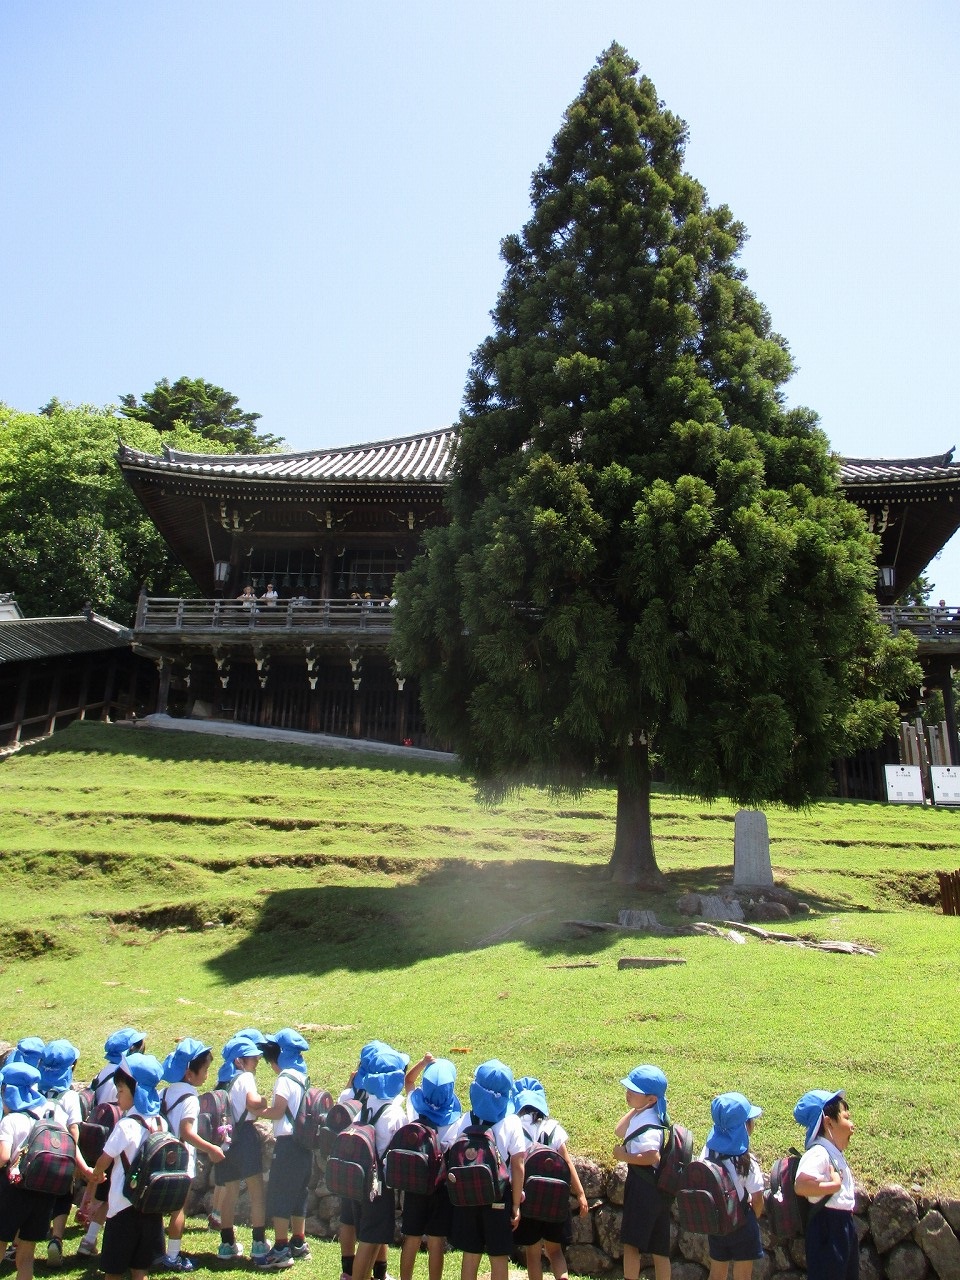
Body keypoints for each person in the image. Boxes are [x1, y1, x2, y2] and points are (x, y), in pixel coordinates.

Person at [86, 1053, 168, 1280]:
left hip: (122, 1207)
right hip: (150, 1207)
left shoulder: (125, 1125)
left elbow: (103, 1161)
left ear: (136, 1091)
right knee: (139, 1270)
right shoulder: (161, 1122)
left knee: (113, 1271)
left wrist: (92, 1186)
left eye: (121, 1090)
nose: (117, 1095)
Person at [448, 1059, 526, 1280]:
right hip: (499, 1199)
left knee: (471, 1254)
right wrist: (517, 1206)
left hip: (468, 1197)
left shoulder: (466, 1119)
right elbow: (518, 1166)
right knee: (498, 1255)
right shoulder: (511, 1122)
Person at [156, 1039, 225, 1272]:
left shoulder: (164, 1092)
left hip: (160, 1159)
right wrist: (211, 1148)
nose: (206, 1075)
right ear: (189, 1073)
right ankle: (173, 1255)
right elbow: (186, 1132)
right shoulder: (190, 1098)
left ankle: (155, 1250)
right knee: (179, 1209)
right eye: (204, 1070)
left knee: (156, 1207)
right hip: (180, 1161)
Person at [511, 1076, 588, 1280]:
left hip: (529, 1201)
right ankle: (562, 1277)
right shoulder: (552, 1127)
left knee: (533, 1254)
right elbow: (568, 1162)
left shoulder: (516, 1127)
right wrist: (580, 1194)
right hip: (555, 1200)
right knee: (556, 1251)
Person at [399, 1056, 462, 1280]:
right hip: (441, 1186)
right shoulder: (457, 1121)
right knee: (436, 1241)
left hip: (415, 1182)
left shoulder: (413, 1109)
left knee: (412, 1237)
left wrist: (424, 1063)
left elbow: (408, 1082)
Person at [351, 1044, 409, 1280]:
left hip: (361, 1180)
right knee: (369, 1239)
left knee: (373, 1236)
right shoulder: (394, 1113)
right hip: (380, 1184)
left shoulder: (365, 1105)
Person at [257, 1029, 312, 1269]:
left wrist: (257, 1112)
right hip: (305, 1144)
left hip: (287, 1144)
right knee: (300, 1193)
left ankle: (280, 1248)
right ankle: (299, 1242)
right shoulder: (303, 1077)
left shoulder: (285, 1078)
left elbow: (278, 1110)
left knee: (280, 1194)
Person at [613, 1065, 674, 1280]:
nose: (628, 1093)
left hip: (643, 1187)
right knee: (659, 1249)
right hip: (655, 1189)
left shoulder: (649, 1124)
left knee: (631, 1244)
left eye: (634, 1091)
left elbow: (652, 1157)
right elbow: (619, 1130)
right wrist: (637, 1106)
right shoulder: (645, 1115)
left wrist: (624, 1157)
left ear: (651, 1099)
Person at [38, 1039, 94, 1267]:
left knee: (31, 1197)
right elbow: (74, 1131)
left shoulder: (34, 1088)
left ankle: (15, 1244)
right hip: (60, 1154)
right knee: (63, 1196)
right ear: (71, 1068)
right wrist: (78, 1164)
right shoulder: (69, 1096)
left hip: (36, 1153)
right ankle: (57, 1239)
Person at [0, 1063, 59, 1280]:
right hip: (43, 1191)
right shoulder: (50, 1114)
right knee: (26, 1257)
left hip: (13, 1191)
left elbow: (4, 1157)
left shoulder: (11, 1120)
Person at [214, 1033, 269, 1262]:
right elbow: (254, 1103)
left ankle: (226, 1244)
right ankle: (258, 1242)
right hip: (245, 1136)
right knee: (257, 1191)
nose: (256, 1062)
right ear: (239, 1060)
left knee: (230, 1191)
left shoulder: (223, 1081)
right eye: (252, 1058)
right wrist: (266, 1101)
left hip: (226, 1139)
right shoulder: (245, 1078)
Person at [793, 1090, 858, 1280]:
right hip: (827, 1227)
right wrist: (833, 1185)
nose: (852, 1126)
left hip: (842, 1224)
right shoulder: (819, 1152)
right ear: (828, 1122)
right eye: (846, 1117)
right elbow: (801, 1185)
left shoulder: (833, 1152)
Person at [700, 1093, 764, 1280]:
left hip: (717, 1223)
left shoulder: (707, 1151)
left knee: (717, 1273)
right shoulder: (746, 1161)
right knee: (743, 1276)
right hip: (743, 1222)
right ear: (744, 1127)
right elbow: (758, 1198)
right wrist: (755, 1215)